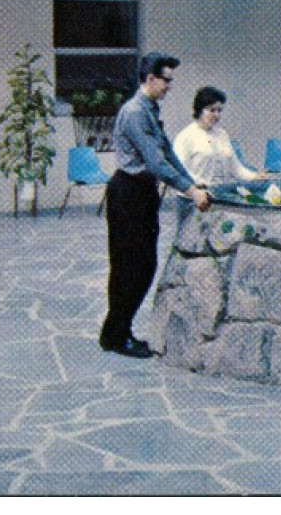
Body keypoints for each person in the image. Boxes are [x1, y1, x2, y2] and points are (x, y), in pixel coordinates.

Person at [99, 52, 211, 359]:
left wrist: (192, 183)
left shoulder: (150, 109)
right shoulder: (135, 112)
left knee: (143, 265)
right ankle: (117, 335)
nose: (169, 86)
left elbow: (169, 154)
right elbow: (155, 160)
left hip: (143, 193)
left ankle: (116, 332)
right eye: (167, 79)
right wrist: (189, 190)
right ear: (151, 78)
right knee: (130, 267)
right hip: (128, 192)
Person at [173, 86, 258, 186]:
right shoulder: (185, 136)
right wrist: (199, 184)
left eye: (219, 110)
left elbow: (236, 169)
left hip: (219, 194)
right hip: (192, 197)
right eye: (212, 110)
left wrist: (255, 176)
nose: (217, 115)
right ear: (200, 110)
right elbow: (179, 170)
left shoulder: (222, 134)